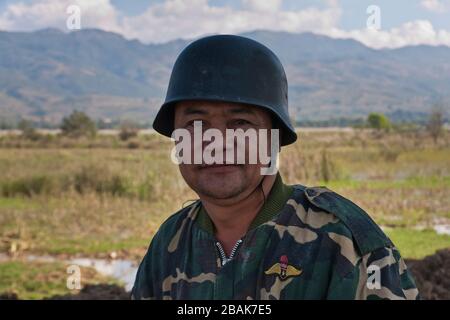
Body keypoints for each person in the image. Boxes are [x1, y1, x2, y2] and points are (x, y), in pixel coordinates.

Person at [131, 35, 419, 300]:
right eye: (196, 124)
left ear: (274, 139)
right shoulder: (171, 242)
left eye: (241, 123)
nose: (217, 143)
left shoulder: (340, 240)